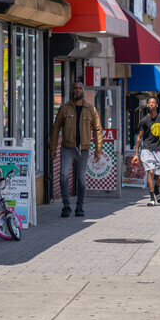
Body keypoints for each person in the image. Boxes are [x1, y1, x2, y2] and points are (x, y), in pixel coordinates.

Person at [50, 81, 103, 218]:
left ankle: (80, 207)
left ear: (83, 90)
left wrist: (98, 149)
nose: (77, 90)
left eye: (80, 88)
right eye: (75, 88)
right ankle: (66, 206)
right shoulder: (64, 108)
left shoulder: (90, 109)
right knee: (63, 175)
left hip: (83, 149)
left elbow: (97, 129)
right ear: (72, 90)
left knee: (81, 180)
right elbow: (56, 129)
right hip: (67, 148)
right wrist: (53, 147)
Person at [133, 97, 160, 206]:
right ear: (147, 105)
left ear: (157, 105)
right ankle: (152, 198)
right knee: (151, 172)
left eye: (153, 103)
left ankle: (156, 188)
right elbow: (139, 137)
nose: (151, 105)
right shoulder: (144, 121)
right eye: (149, 103)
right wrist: (136, 154)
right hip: (147, 150)